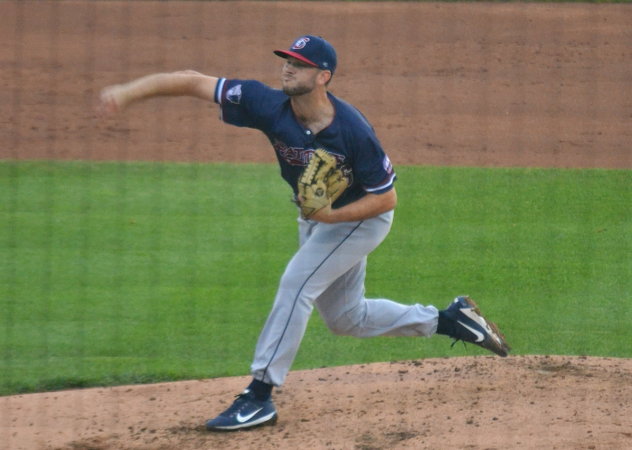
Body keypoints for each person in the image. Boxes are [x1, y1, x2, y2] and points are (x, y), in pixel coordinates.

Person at [97, 35, 510, 432]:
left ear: (323, 75)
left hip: (361, 219)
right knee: (348, 318)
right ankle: (452, 321)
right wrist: (127, 93)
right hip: (321, 218)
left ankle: (258, 395)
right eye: (288, 60)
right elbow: (192, 80)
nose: (288, 68)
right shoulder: (265, 103)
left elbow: (387, 200)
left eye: (300, 64)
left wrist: (330, 218)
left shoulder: (353, 131)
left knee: (297, 285)